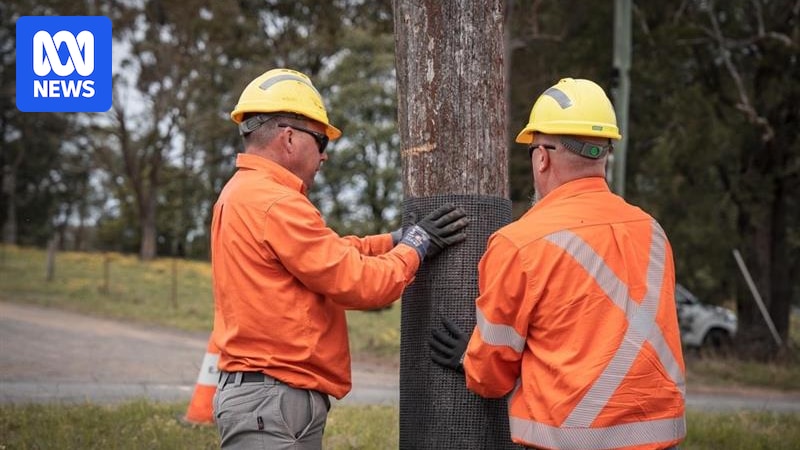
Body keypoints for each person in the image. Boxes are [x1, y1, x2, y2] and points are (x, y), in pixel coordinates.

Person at [212, 68, 469, 449]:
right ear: (288, 138)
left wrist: (391, 242)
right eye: (320, 140)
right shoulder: (277, 202)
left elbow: (326, 254)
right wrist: (417, 244)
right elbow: (363, 285)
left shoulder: (246, 193)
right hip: (272, 400)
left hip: (266, 399)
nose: (324, 155)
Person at [430, 78, 686, 450]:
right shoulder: (653, 232)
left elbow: (491, 376)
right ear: (604, 154)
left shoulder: (520, 243)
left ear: (543, 156)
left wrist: (470, 361)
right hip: (661, 441)